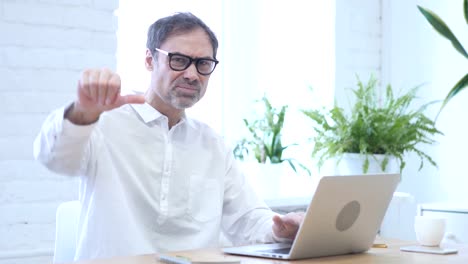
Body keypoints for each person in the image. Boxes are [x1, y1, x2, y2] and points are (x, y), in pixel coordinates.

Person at [34, 12, 304, 261]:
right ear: (150, 60)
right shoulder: (103, 124)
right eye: (178, 60)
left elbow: (246, 219)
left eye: (203, 64)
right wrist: (82, 112)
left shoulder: (212, 144)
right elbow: (54, 158)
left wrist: (281, 229)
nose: (191, 74)